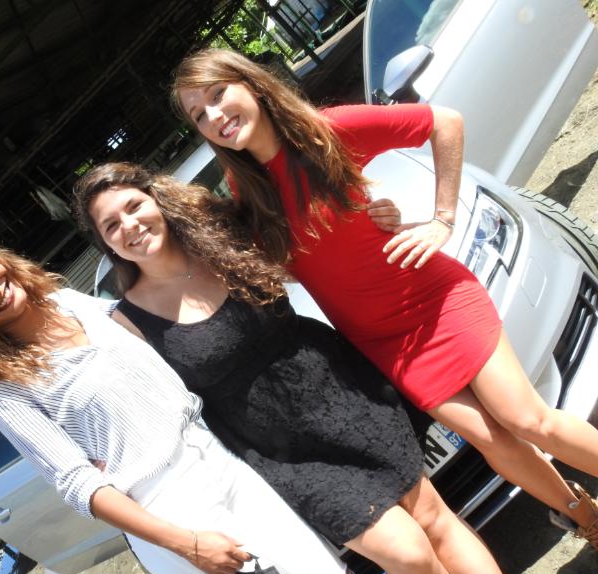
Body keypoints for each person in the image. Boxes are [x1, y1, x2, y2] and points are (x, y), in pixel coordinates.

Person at [170, 48, 598, 548]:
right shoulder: (247, 191)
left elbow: (445, 122)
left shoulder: (328, 131)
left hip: (432, 299)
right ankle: (585, 516)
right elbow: (304, 262)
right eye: (199, 115)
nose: (215, 115)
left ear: (252, 85)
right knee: (489, 440)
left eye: (218, 94)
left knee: (527, 419)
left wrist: (441, 220)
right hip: (387, 343)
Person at [73, 162, 515, 574]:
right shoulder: (125, 322)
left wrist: (377, 215)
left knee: (435, 521)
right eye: (111, 225)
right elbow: (134, 398)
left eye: (134, 206)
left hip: (344, 396)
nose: (129, 225)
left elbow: (318, 234)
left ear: (156, 200)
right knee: (408, 553)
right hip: (281, 454)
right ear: (105, 243)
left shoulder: (223, 237)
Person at [0, 239, 360, 574]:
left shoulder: (69, 302)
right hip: (171, 506)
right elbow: (78, 485)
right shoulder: (7, 392)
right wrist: (186, 543)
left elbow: (158, 339)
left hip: (221, 456)